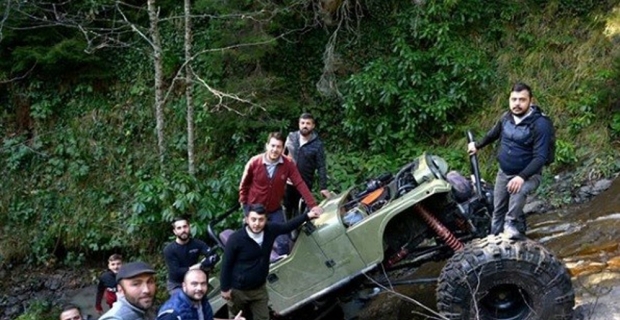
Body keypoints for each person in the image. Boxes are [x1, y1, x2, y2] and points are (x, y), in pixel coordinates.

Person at [467, 82, 554, 238]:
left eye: (522, 100)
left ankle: (511, 227)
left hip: (529, 175)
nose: (517, 104)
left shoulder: (541, 124)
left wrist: (521, 177)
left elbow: (540, 157)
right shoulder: (506, 117)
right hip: (504, 172)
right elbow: (493, 134)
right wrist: (477, 145)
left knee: (517, 193)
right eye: (514, 99)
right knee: (497, 210)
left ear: (531, 101)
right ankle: (495, 240)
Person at [220, 203, 321, 320]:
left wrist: (308, 216)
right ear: (247, 219)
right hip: (239, 291)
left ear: (265, 220)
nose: (257, 224)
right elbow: (226, 264)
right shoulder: (236, 239)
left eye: (261, 220)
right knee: (238, 318)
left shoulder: (270, 230)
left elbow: (287, 226)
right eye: (253, 219)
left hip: (259, 288)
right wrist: (225, 288)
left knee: (263, 317)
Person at [239, 132, 323, 255]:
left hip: (274, 209)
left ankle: (283, 267)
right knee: (254, 243)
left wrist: (313, 205)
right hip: (255, 209)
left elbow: (299, 183)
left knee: (283, 241)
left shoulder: (288, 164)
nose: (275, 150)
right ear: (267, 146)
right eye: (272, 146)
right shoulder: (254, 162)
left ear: (283, 149)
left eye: (278, 147)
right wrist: (246, 208)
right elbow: (244, 185)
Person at [284, 113, 331, 219]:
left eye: (308, 123)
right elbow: (282, 156)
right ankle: (286, 232)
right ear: (299, 124)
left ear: (313, 125)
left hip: (304, 184)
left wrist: (323, 187)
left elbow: (321, 166)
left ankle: (298, 233)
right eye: (302, 123)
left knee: (301, 212)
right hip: (288, 182)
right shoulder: (291, 137)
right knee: (286, 209)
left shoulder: (317, 145)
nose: (305, 126)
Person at [157, 269, 245, 320]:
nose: (199, 288)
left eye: (203, 284)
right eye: (194, 284)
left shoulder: (201, 300)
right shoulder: (172, 314)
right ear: (184, 286)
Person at [164, 217, 219, 295]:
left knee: (201, 303)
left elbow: (214, 256)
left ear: (189, 227)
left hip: (195, 281)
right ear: (175, 231)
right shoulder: (169, 249)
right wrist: (192, 269)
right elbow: (176, 272)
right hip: (177, 284)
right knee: (184, 303)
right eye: (179, 228)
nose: (183, 230)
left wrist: (201, 265)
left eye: (185, 226)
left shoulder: (197, 243)